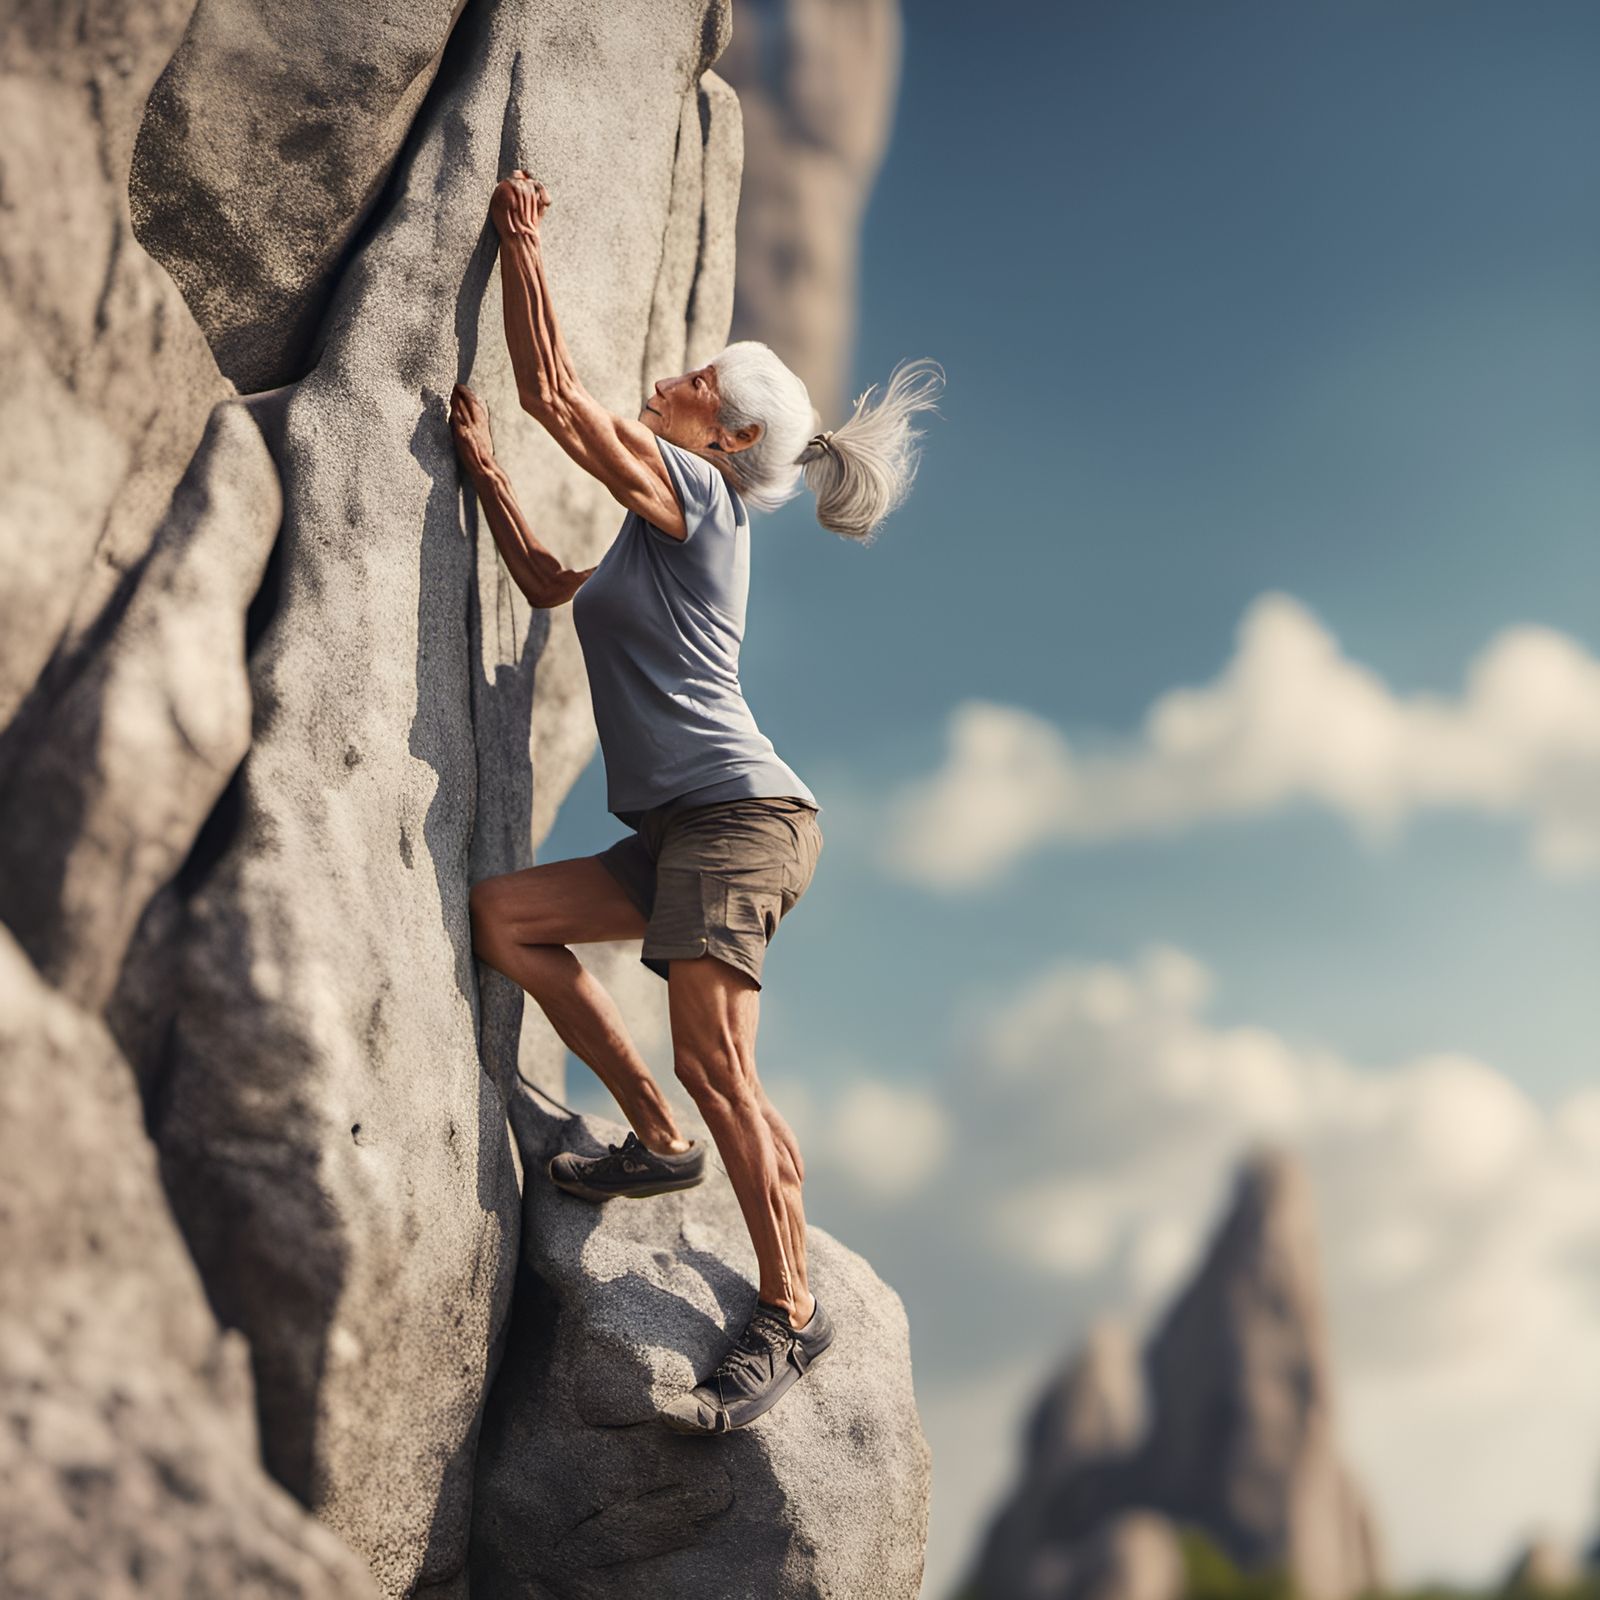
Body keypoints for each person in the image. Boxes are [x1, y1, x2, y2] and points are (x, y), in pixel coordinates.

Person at [457, 171, 941, 1434]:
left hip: (743, 819)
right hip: (679, 829)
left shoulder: (706, 499)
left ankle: (786, 1312)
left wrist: (519, 241)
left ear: (725, 434)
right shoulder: (657, 522)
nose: (664, 382)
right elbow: (559, 585)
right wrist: (483, 479)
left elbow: (554, 393)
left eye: (686, 383)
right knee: (508, 919)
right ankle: (656, 1139)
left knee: (719, 1053)